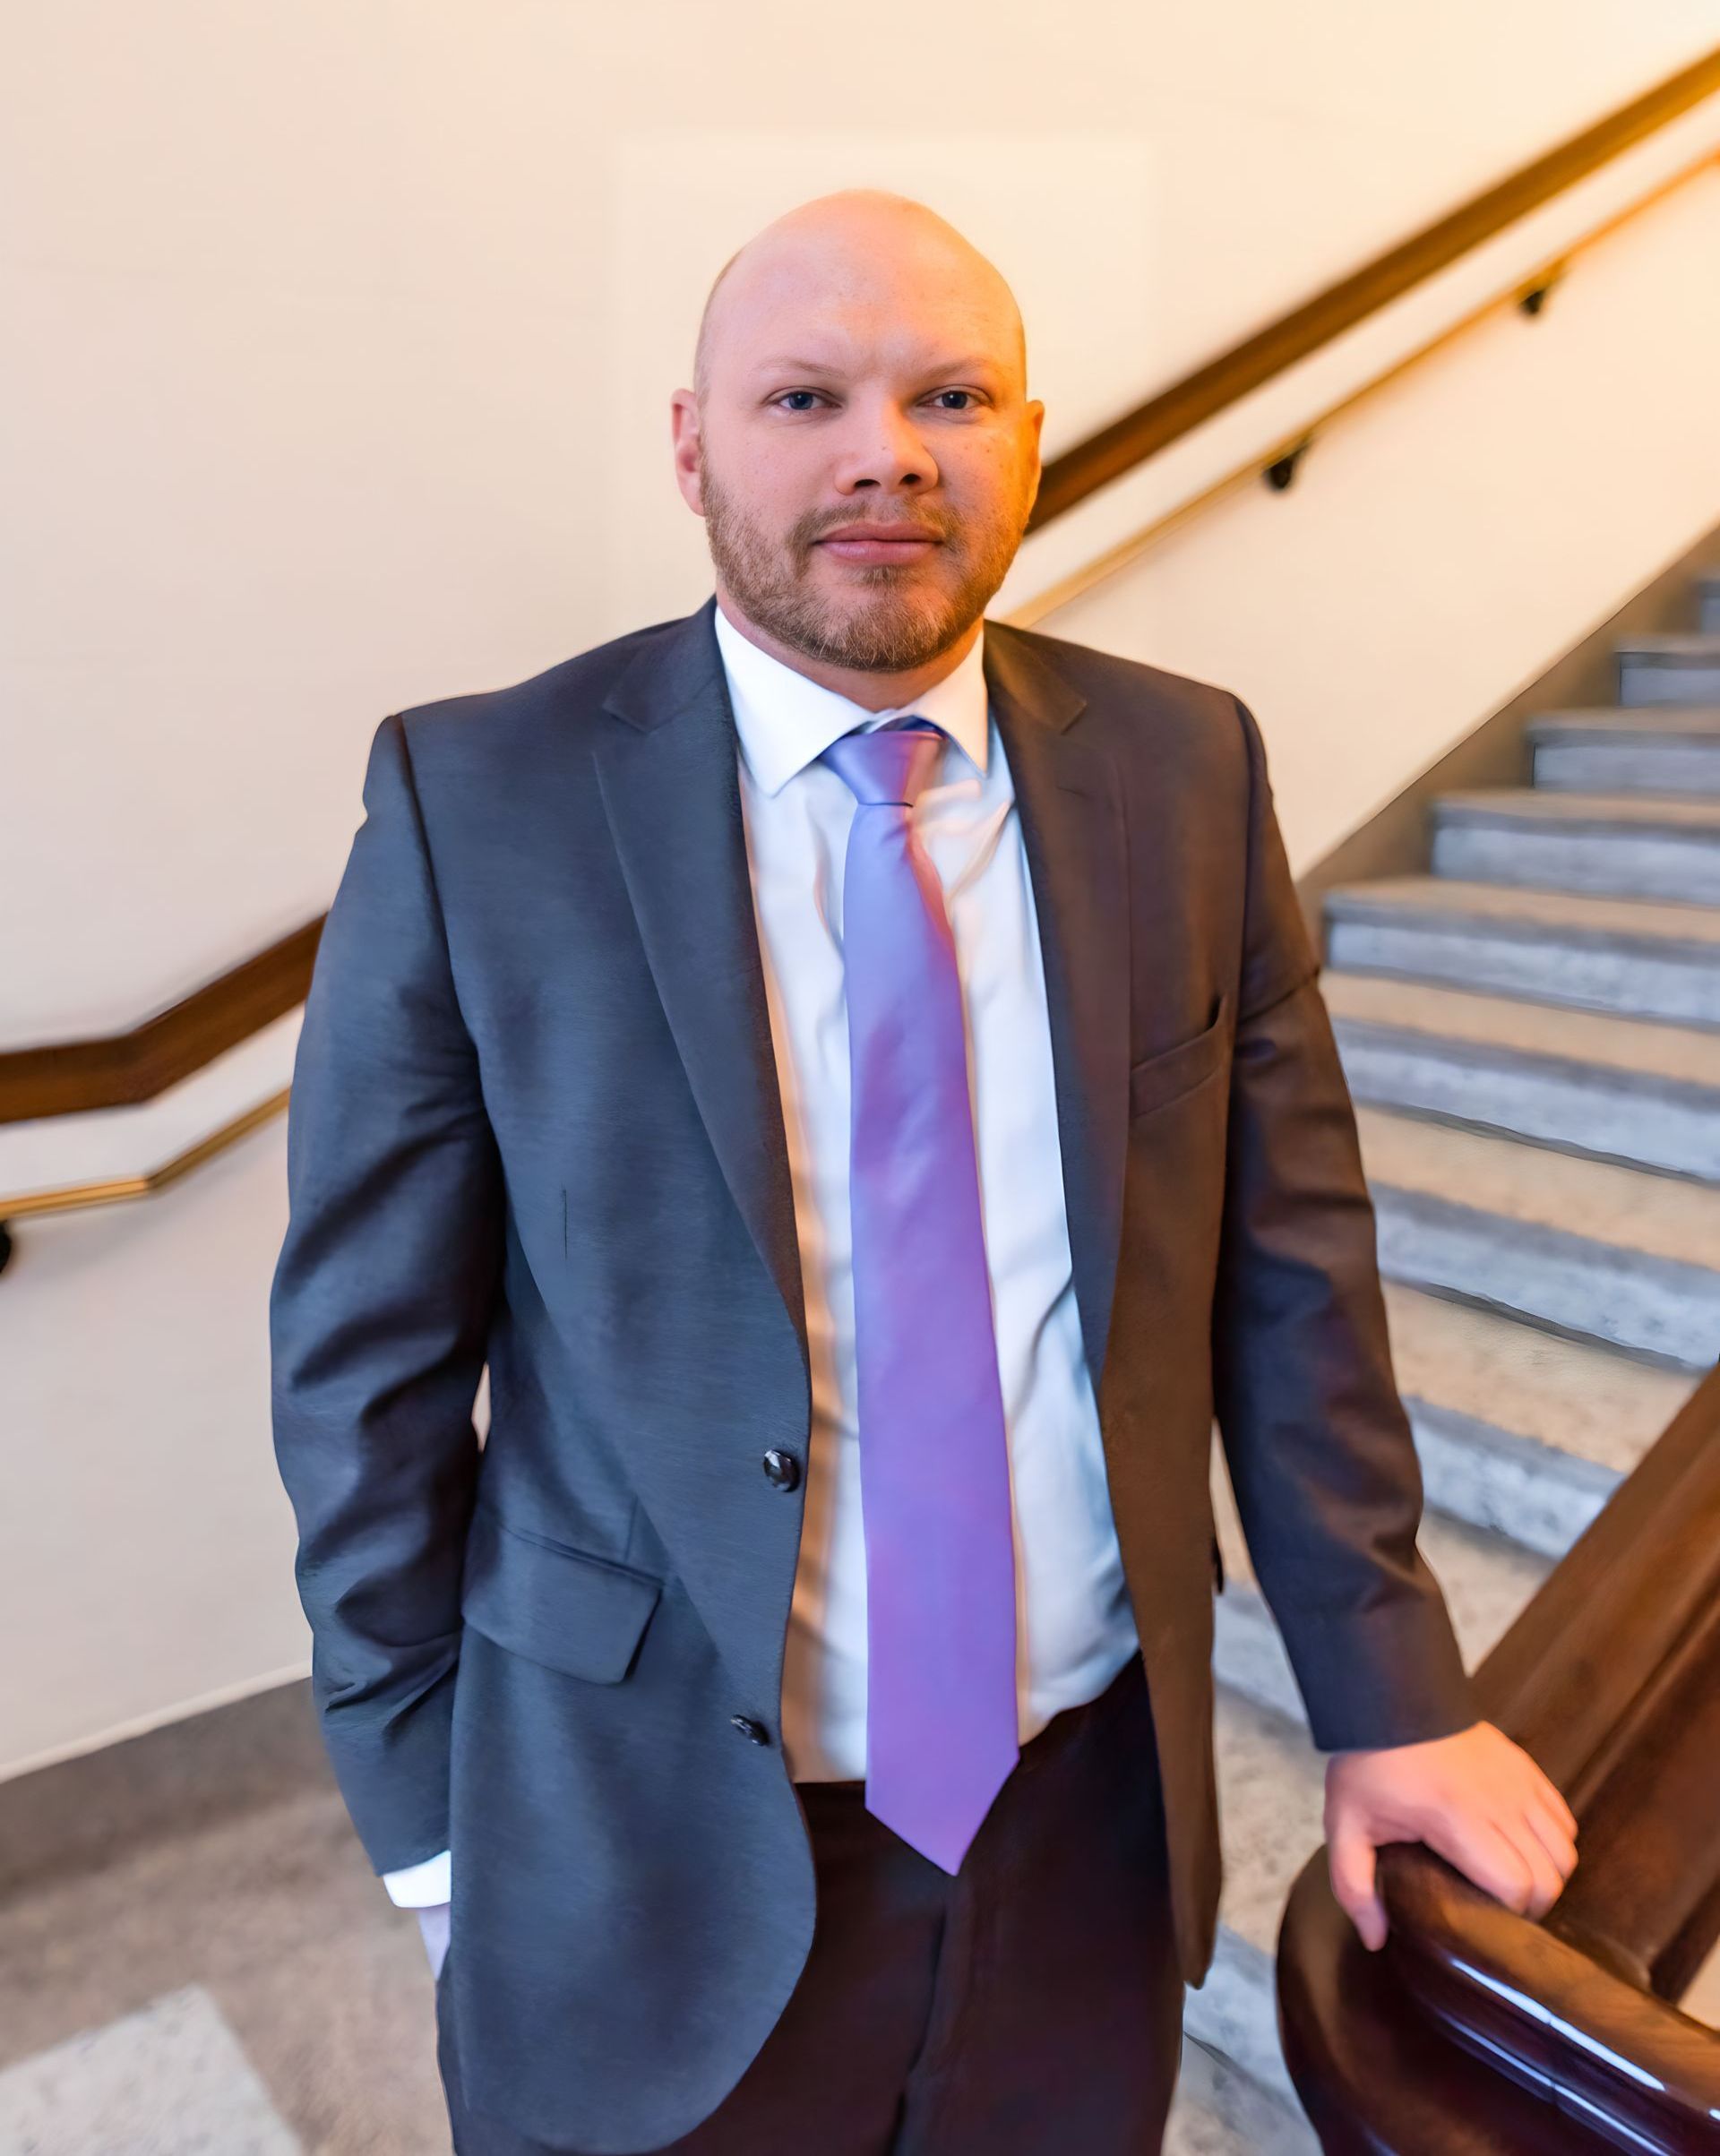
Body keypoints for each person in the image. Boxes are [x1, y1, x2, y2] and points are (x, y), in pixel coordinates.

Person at [268, 187, 1579, 2155]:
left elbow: (1294, 1269)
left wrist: (1388, 1691)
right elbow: (362, 1373)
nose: (885, 450)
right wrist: (437, 1832)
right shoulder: (484, 802)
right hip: (642, 1834)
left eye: (950, 394)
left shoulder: (1186, 770)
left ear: (1027, 439)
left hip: (1086, 1825)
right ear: (694, 443)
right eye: (805, 395)